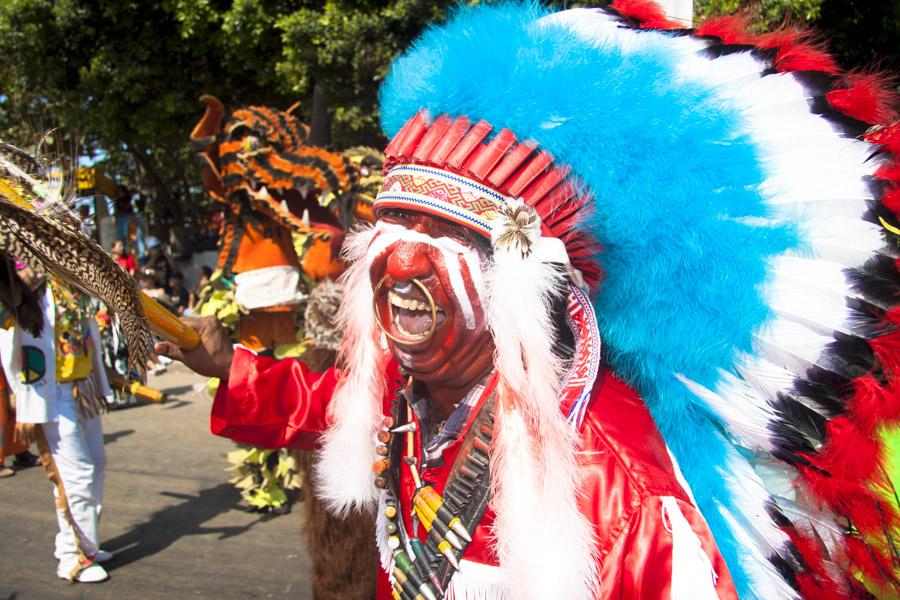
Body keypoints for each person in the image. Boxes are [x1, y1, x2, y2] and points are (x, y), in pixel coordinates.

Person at [158, 3, 900, 599]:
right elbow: (329, 408)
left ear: (520, 285)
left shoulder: (613, 490)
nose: (402, 268)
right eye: (391, 242)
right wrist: (222, 361)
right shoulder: (419, 399)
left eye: (444, 247)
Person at [0, 263, 113, 583]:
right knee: (76, 475)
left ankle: (85, 543)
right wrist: (18, 287)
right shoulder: (18, 279)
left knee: (97, 465)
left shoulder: (72, 277)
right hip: (50, 392)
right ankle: (73, 557)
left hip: (84, 386)